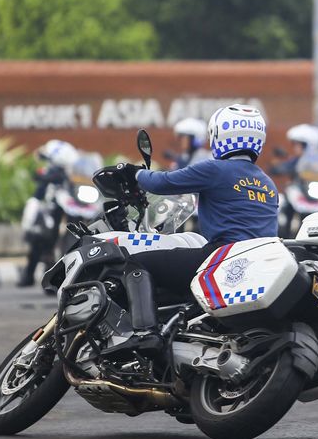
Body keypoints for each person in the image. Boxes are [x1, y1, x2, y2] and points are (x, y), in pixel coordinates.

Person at [114, 104, 278, 338]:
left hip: (221, 256)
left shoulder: (217, 169)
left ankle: (144, 334)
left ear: (219, 135)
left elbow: (162, 183)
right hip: (255, 262)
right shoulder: (267, 182)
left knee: (135, 263)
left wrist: (134, 173)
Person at [18, 140, 80, 287]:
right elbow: (40, 180)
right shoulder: (50, 171)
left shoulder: (72, 172)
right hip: (48, 208)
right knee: (39, 237)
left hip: (69, 206)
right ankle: (28, 275)